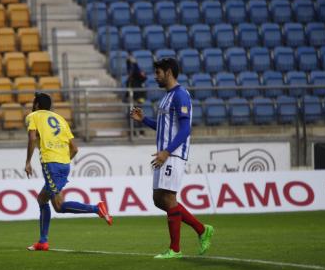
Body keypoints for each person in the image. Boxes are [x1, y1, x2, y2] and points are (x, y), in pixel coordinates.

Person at [129, 58, 214, 259]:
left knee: (167, 198)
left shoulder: (180, 96)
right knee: (159, 199)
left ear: (168, 72)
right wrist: (144, 120)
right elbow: (165, 128)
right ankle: (202, 230)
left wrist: (167, 151)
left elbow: (185, 129)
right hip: (165, 153)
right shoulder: (167, 97)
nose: (155, 76)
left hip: (173, 154)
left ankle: (175, 249)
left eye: (158, 72)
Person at [24, 92, 113, 251]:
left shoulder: (33, 116)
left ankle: (97, 208)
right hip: (64, 164)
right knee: (45, 201)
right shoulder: (60, 119)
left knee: (57, 204)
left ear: (37, 105)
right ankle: (43, 242)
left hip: (50, 164)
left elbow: (31, 138)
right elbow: (75, 149)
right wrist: (63, 162)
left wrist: (28, 162)